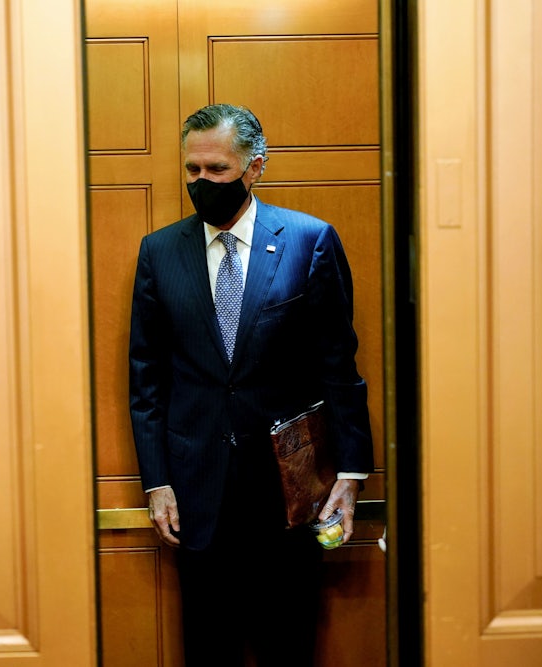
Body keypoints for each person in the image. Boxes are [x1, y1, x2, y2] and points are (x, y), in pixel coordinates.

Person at [128, 103, 374, 666]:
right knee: (208, 651)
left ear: (255, 166)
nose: (202, 183)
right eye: (192, 170)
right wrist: (156, 482)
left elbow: (339, 365)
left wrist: (352, 474)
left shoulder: (310, 240)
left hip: (288, 497)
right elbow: (146, 378)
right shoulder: (160, 252)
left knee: (289, 649)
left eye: (216, 170)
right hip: (197, 497)